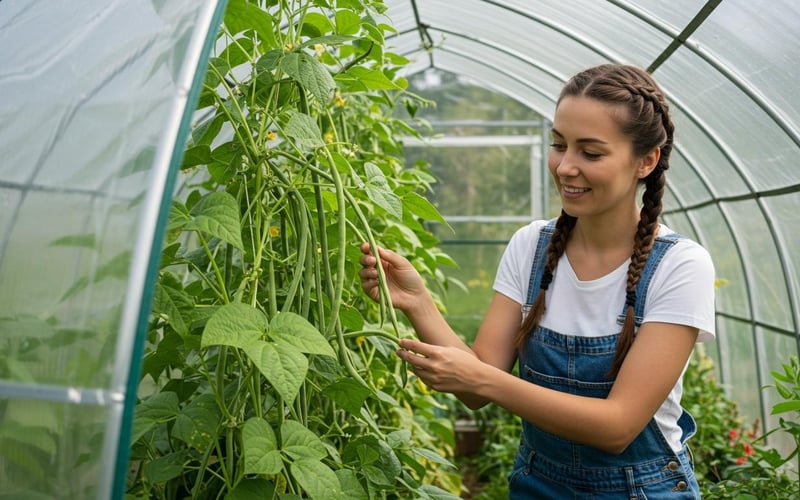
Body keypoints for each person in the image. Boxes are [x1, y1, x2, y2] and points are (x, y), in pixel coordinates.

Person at [358, 63, 715, 498]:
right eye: (558, 144)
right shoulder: (532, 246)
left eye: (591, 152)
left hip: (641, 489)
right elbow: (478, 387)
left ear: (646, 161)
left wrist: (482, 379)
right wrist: (418, 304)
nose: (565, 166)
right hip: (537, 483)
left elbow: (617, 426)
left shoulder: (680, 265)